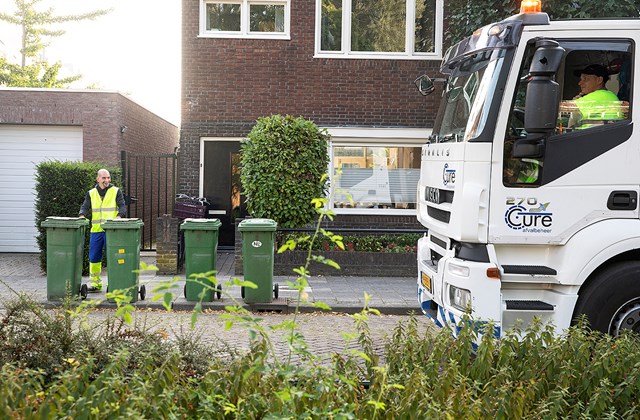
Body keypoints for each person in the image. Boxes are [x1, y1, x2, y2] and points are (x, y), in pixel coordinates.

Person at [79, 169, 126, 292]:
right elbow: (85, 206)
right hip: (96, 231)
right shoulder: (91, 193)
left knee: (113, 257)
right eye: (104, 178)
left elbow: (122, 206)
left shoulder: (116, 191)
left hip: (111, 231)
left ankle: (115, 283)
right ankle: (95, 284)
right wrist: (82, 215)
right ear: (98, 179)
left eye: (108, 178)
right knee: (94, 257)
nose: (107, 180)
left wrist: (119, 216)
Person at [560, 64, 623, 129]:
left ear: (599, 80)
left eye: (585, 79)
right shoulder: (606, 96)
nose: (580, 83)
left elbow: (564, 108)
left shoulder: (602, 95)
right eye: (581, 79)